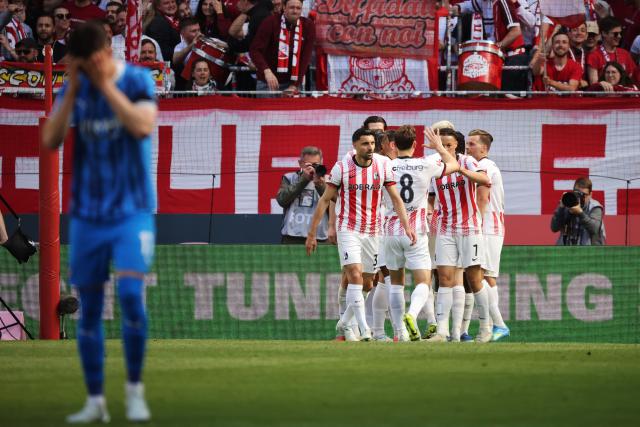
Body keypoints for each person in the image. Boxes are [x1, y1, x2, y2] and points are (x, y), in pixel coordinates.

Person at [41, 21, 157, 423]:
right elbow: (50, 140)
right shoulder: (76, 89)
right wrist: (73, 87)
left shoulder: (138, 80)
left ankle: (134, 392)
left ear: (107, 53)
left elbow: (143, 126)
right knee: (88, 309)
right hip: (89, 215)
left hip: (131, 212)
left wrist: (105, 86)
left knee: (129, 296)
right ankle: (95, 401)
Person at [306, 128, 416, 342]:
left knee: (367, 284)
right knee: (354, 274)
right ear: (355, 145)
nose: (370, 148)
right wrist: (312, 234)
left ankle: (345, 322)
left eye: (373, 144)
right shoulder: (342, 168)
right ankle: (364, 329)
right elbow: (325, 200)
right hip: (349, 228)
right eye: (365, 144)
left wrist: (407, 225)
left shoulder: (383, 165)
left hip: (374, 230)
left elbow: (395, 198)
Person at [383, 125, 459, 342]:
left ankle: (401, 333)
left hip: (390, 230)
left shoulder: (386, 166)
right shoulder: (426, 164)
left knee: (396, 283)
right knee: (423, 282)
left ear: (393, 145)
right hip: (415, 231)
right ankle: (412, 314)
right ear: (415, 145)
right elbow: (453, 164)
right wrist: (439, 148)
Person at [426, 127, 493, 343]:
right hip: (445, 228)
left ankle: (485, 327)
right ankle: (442, 332)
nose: (443, 148)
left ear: (457, 146)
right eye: (441, 144)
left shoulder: (468, 162)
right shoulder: (434, 166)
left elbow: (484, 181)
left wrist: (459, 170)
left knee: (474, 279)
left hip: (469, 228)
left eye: (448, 145)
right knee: (444, 279)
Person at [465, 129, 510, 342]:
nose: (467, 147)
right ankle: (493, 326)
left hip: (487, 227)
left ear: (484, 148)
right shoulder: (482, 166)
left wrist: (476, 225)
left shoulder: (485, 166)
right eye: (467, 143)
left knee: (485, 276)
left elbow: (482, 199)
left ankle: (499, 325)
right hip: (490, 227)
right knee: (484, 276)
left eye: (472, 144)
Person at [250, 0, 315, 96]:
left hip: (291, 83)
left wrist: (295, 85)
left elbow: (305, 59)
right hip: (268, 82)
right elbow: (255, 50)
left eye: (298, 8)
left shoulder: (308, 26)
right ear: (284, 7)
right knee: (266, 111)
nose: (295, 11)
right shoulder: (270, 22)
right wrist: (266, 71)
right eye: (292, 7)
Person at [276, 146, 328, 244]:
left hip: (319, 237)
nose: (312, 168)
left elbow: (336, 207)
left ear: (322, 162)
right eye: (308, 165)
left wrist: (321, 186)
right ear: (300, 163)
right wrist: (303, 180)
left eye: (315, 165)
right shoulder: (289, 178)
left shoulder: (329, 180)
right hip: (292, 236)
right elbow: (282, 200)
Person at [550, 177, 605, 245]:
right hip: (567, 250)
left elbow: (595, 229)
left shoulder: (595, 207)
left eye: (584, 195)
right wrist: (561, 208)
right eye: (578, 194)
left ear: (590, 195)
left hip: (589, 252)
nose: (580, 197)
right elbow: (554, 228)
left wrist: (580, 213)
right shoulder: (567, 203)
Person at [587, 16, 636, 84]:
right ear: (604, 33)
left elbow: (632, 79)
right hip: (605, 93)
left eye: (620, 33)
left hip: (624, 93)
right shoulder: (594, 55)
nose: (619, 36)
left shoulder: (625, 54)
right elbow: (594, 84)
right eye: (615, 34)